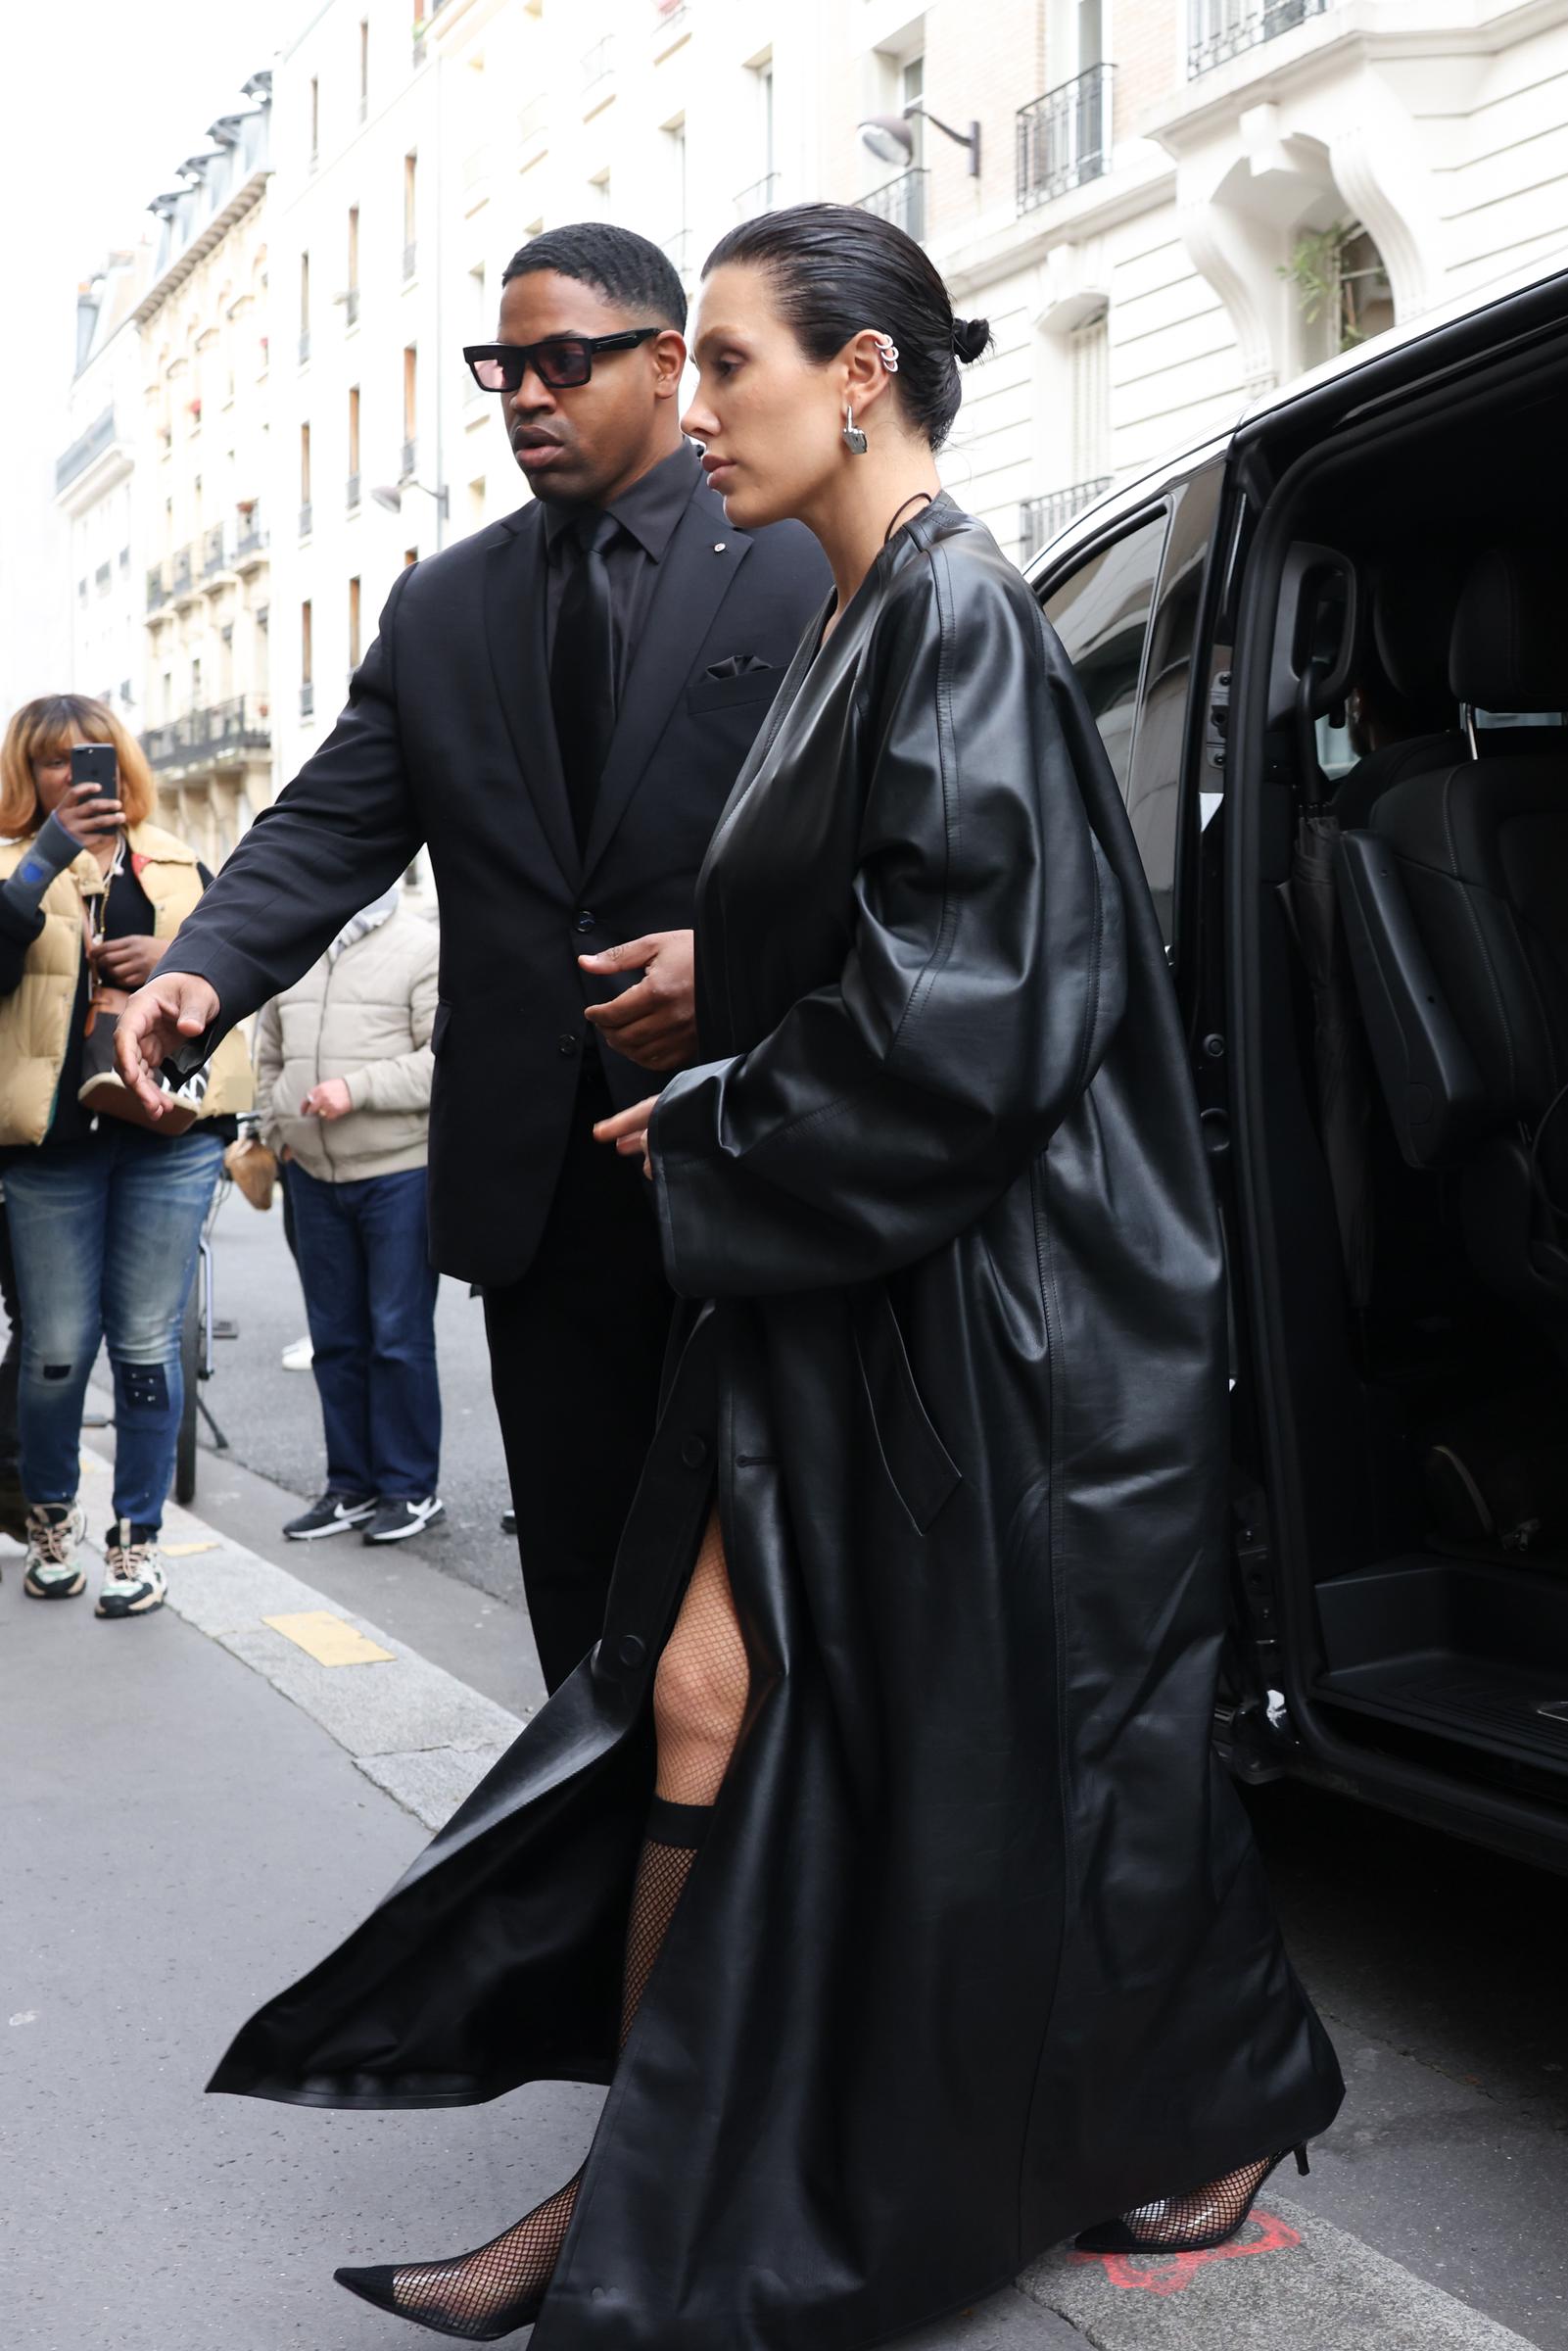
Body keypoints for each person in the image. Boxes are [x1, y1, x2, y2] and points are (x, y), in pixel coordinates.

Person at [200, 207, 1344, 2348]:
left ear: (859, 375)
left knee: (1038, 1753)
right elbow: (912, 930)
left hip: (986, 1301)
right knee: (742, 1703)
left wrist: (717, 1110)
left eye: (720, 362)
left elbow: (978, 1004)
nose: (692, 405)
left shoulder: (950, 612)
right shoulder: (865, 611)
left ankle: (683, 2199)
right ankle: (639, 2190)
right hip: (867, 1281)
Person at [115, 221, 830, 1690]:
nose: (524, 396)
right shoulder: (446, 607)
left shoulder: (795, 553)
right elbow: (328, 823)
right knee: (577, 1558)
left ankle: (756, 1888)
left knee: (773, 1558)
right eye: (502, 366)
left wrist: (746, 961)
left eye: (565, 362)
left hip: (756, 1142)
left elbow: (885, 838)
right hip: (538, 1182)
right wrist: (204, 969)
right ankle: (594, 1874)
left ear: (665, 362)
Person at [0, 696, 252, 1616]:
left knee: (147, 1345)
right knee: (57, 1349)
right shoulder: (13, 867)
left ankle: (137, 1540)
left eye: (88, 760)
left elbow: (238, 980)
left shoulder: (182, 864)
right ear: (26, 775)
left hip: (169, 1138)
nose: (74, 778)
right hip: (50, 1147)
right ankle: (52, 1520)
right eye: (52, 762)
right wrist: (46, 860)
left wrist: (176, 959)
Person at [255, 885, 445, 1546]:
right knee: (334, 1341)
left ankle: (408, 1488)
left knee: (396, 1336)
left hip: (399, 1172)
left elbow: (442, 1062)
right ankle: (351, 1487)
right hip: (310, 1174)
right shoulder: (295, 945)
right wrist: (279, 1136)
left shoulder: (423, 947)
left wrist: (355, 1091)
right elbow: (268, 1054)